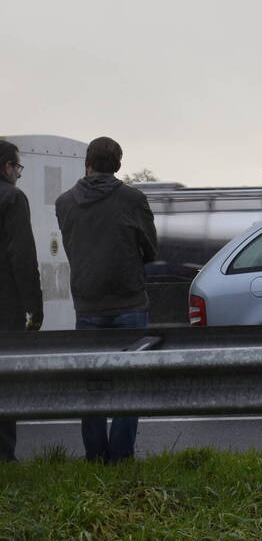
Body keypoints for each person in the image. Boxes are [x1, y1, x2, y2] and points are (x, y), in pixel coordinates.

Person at [56, 136, 157, 463]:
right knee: (130, 385)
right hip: (129, 303)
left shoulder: (64, 203)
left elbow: (73, 247)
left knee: (92, 385)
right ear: (118, 165)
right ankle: (121, 457)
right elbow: (151, 249)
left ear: (87, 162)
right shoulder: (133, 199)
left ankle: (95, 457)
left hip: (87, 304)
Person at [0, 140, 44, 462]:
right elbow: (22, 256)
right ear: (7, 168)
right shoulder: (12, 198)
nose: (18, 173)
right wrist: (34, 304)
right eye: (17, 167)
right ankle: (4, 456)